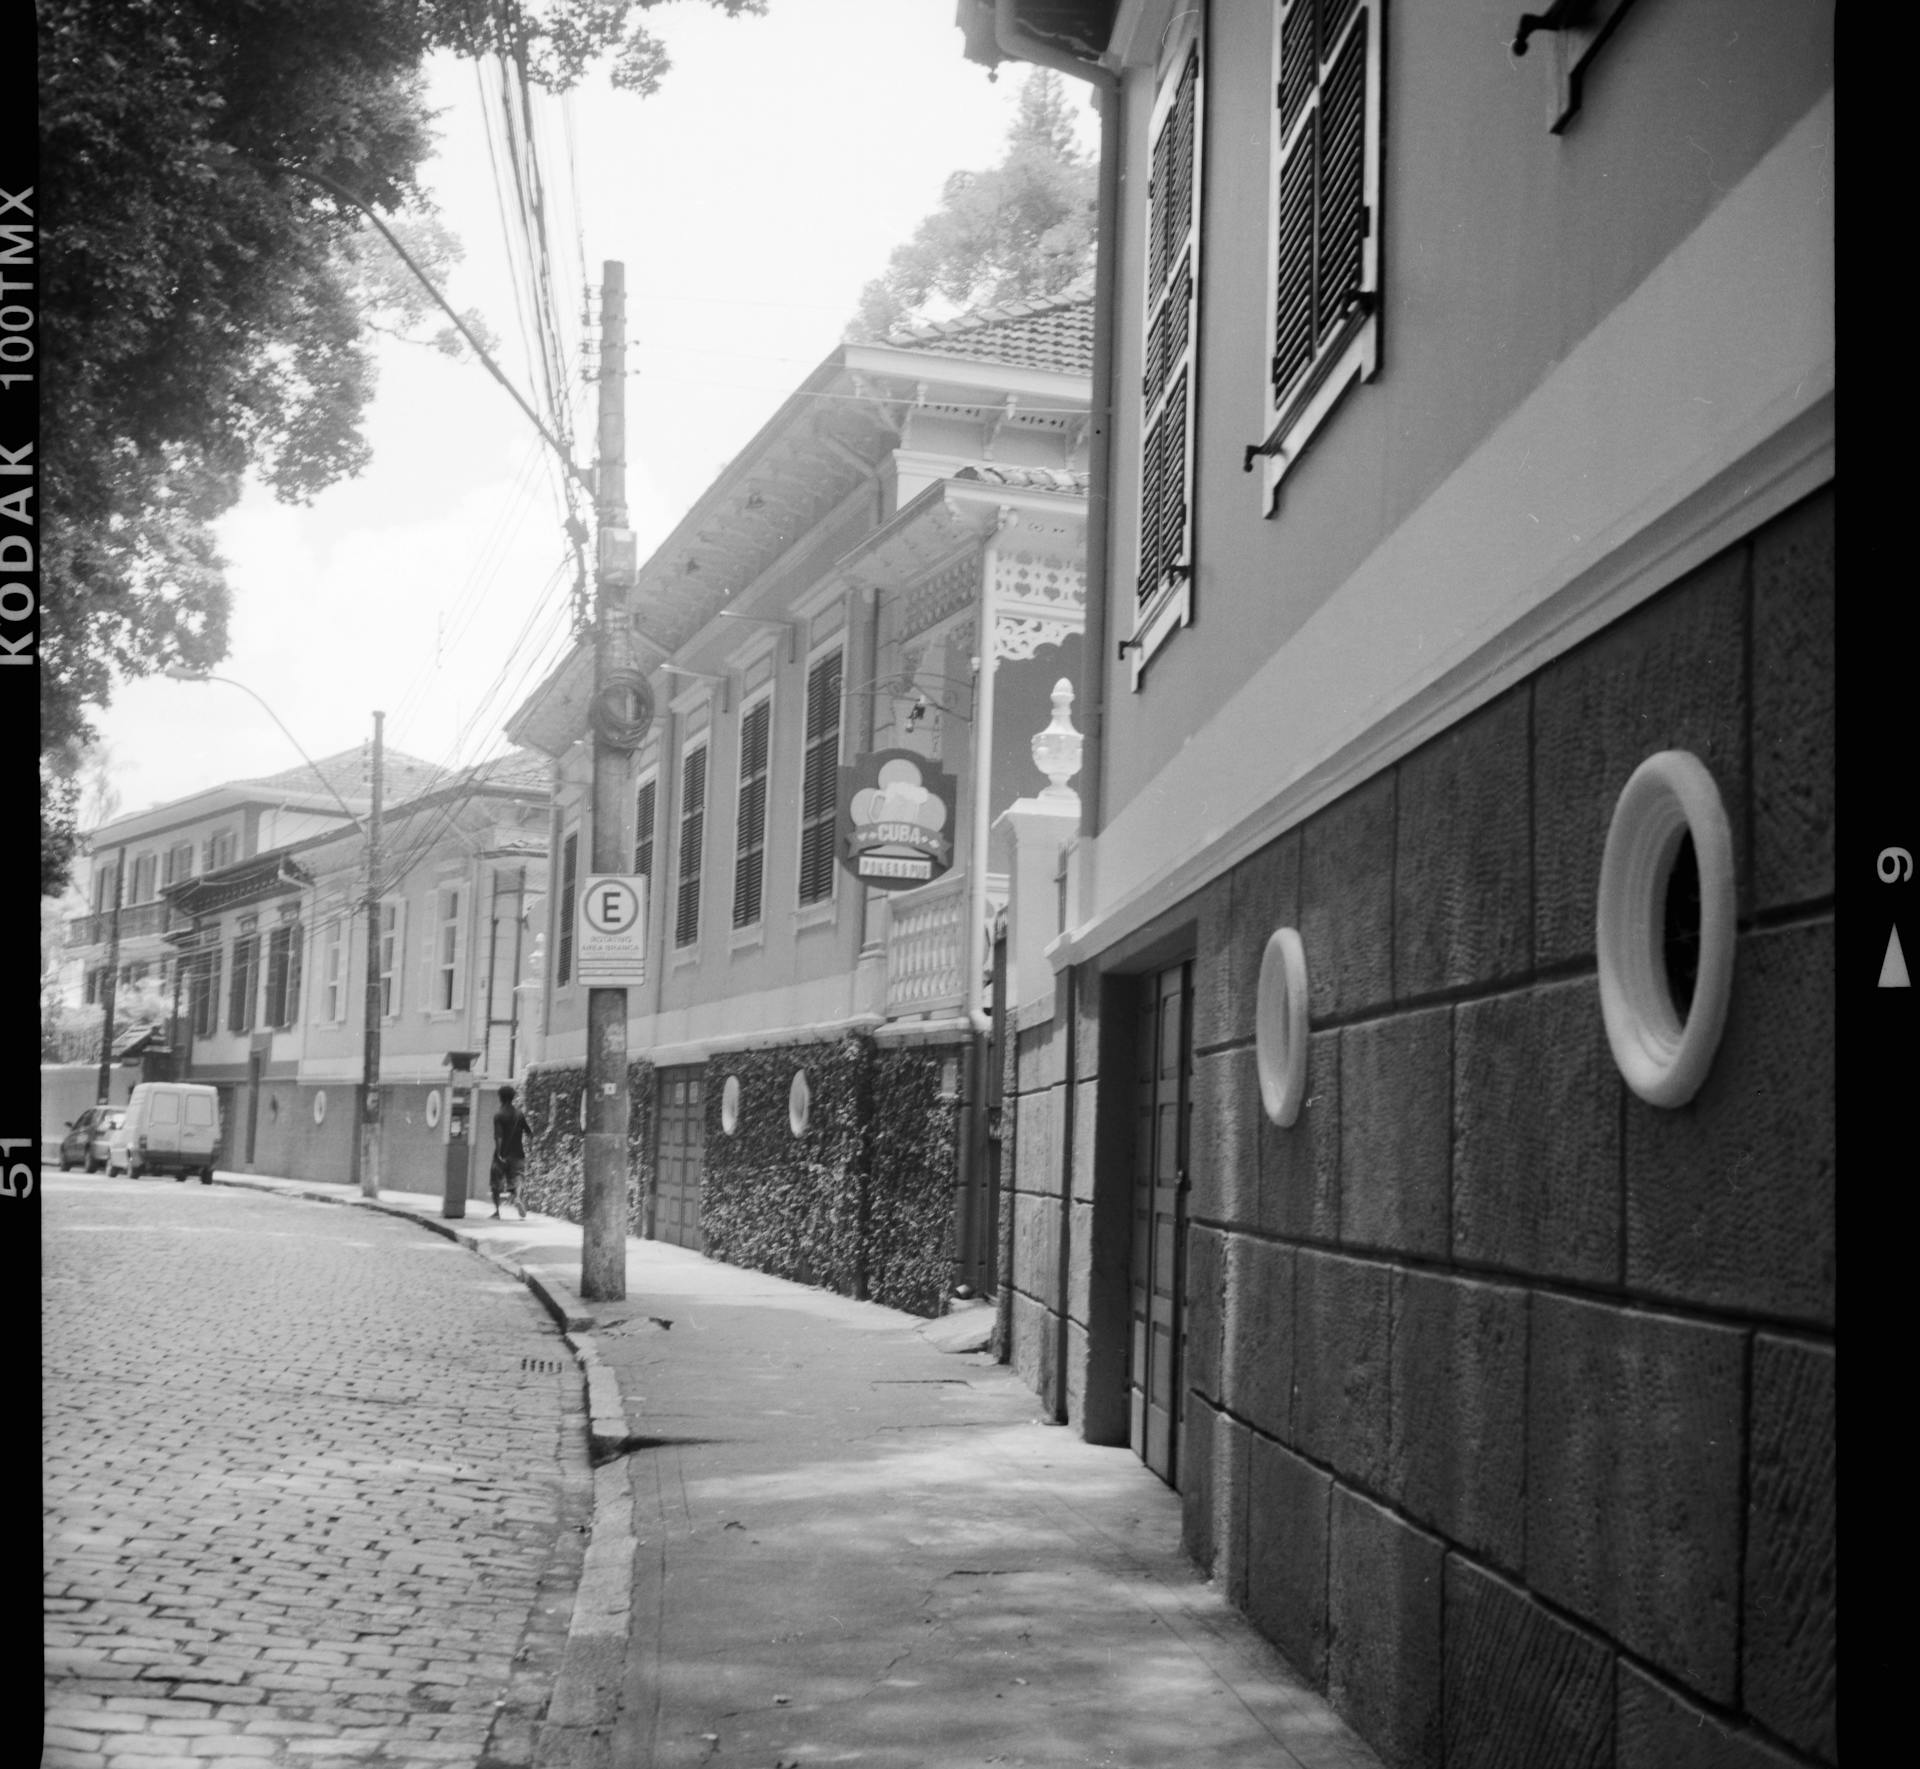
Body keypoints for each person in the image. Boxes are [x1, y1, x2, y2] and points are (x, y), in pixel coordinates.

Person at [490, 1085, 530, 1220]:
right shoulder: (519, 1114)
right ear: (513, 1098)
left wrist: (500, 1153)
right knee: (518, 1178)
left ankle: (497, 1212)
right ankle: (517, 1197)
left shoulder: (498, 1115)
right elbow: (529, 1133)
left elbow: (498, 1136)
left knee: (496, 1183)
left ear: (500, 1098)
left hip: (503, 1154)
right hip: (518, 1153)